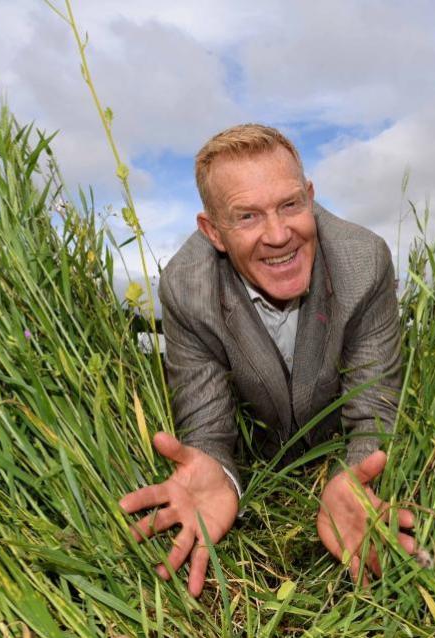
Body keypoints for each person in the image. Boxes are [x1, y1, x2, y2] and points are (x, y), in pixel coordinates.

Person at [119, 124, 416, 597]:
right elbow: (207, 426)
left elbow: (375, 407)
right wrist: (217, 473)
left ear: (310, 197)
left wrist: (354, 475)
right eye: (248, 217)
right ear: (213, 231)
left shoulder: (365, 263)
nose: (279, 235)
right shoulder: (186, 286)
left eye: (291, 205)